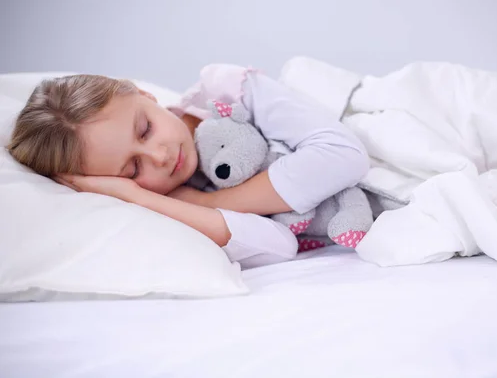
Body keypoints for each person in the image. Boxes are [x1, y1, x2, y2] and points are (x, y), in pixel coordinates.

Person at [7, 65, 370, 267]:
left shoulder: (228, 92)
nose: (160, 156)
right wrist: (143, 199)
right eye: (132, 170)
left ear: (144, 95)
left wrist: (203, 205)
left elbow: (344, 156)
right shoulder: (164, 202)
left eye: (145, 128)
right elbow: (278, 244)